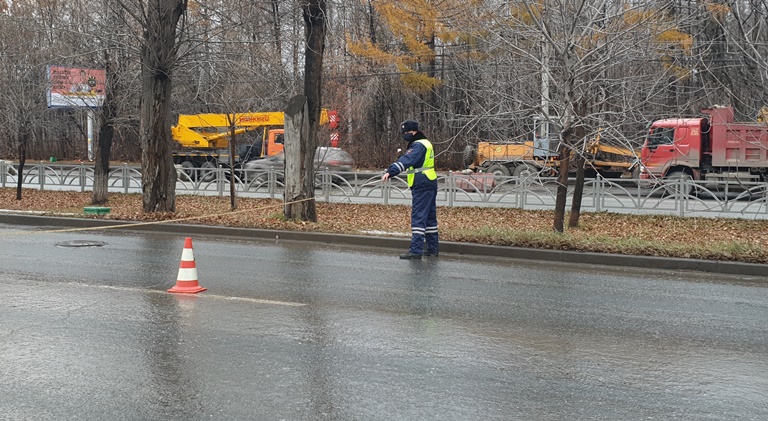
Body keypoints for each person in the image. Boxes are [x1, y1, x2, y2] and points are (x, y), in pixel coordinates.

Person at [381, 120, 439, 259]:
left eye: (406, 133)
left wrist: (392, 171)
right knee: (430, 218)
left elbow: (408, 160)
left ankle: (415, 251)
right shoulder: (426, 143)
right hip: (429, 181)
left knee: (418, 217)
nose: (405, 136)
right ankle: (432, 249)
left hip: (422, 183)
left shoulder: (418, 145)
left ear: (413, 132)